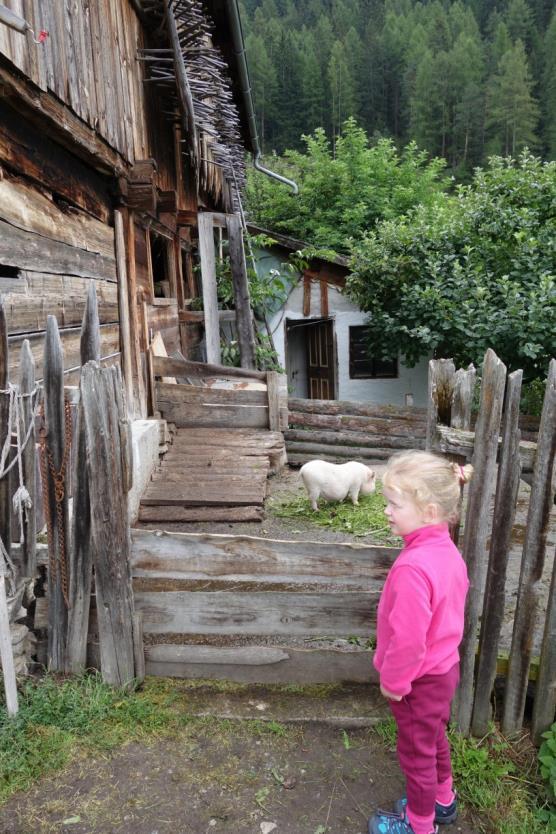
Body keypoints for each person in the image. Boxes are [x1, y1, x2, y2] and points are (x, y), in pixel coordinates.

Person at [368, 450, 473, 834]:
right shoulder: (447, 552)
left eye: (394, 504)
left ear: (429, 512)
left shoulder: (413, 567)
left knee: (416, 756)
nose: (386, 512)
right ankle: (443, 800)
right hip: (444, 671)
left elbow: (409, 642)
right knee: (432, 738)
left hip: (417, 680)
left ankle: (420, 824)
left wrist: (394, 683)